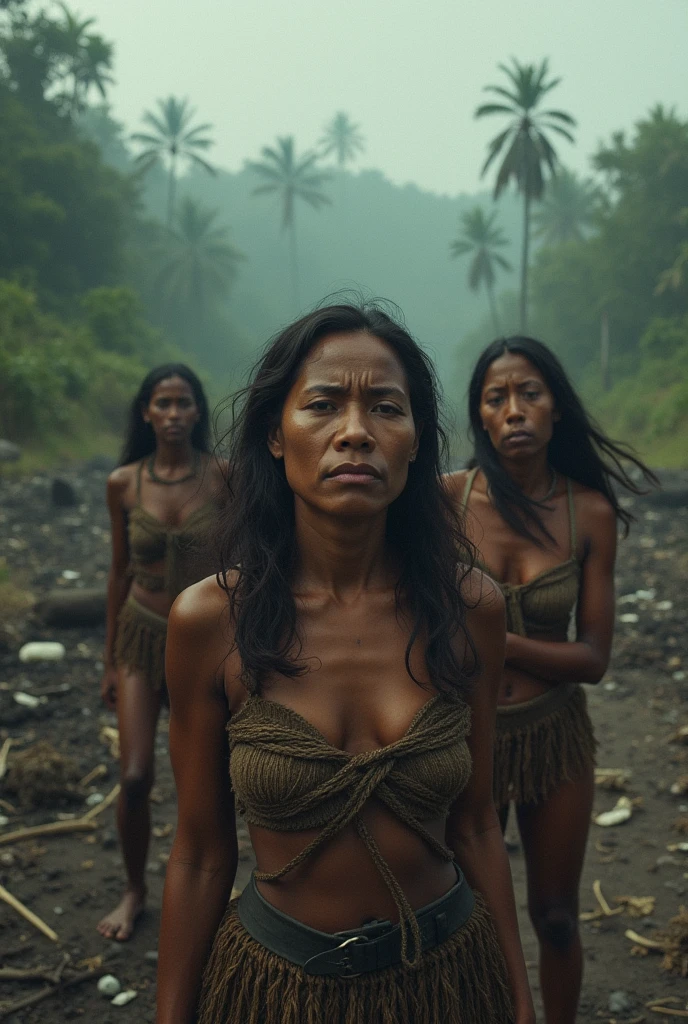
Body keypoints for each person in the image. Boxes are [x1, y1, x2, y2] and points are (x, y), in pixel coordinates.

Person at [155, 303, 534, 1024]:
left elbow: (479, 824)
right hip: (278, 987)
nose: (355, 433)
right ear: (275, 434)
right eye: (323, 405)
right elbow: (201, 854)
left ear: (417, 441)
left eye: (386, 408)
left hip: (449, 977)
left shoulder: (471, 608)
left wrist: (519, 998)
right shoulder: (209, 620)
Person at [445, 336, 656, 1024]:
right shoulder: (449, 500)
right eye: (496, 397)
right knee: (468, 919)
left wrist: (491, 640)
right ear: (480, 414)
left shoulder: (587, 512)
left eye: (529, 393)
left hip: (552, 735)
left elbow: (593, 658)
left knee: (558, 917)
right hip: (463, 736)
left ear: (556, 408)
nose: (514, 410)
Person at [98, 363, 226, 942]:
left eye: (183, 403)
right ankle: (134, 891)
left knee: (208, 781)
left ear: (198, 412)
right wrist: (107, 661)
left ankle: (207, 889)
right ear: (146, 413)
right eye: (162, 403)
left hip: (203, 643)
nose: (173, 414)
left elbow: (244, 564)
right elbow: (118, 571)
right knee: (133, 776)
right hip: (141, 633)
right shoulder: (124, 482)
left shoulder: (225, 478)